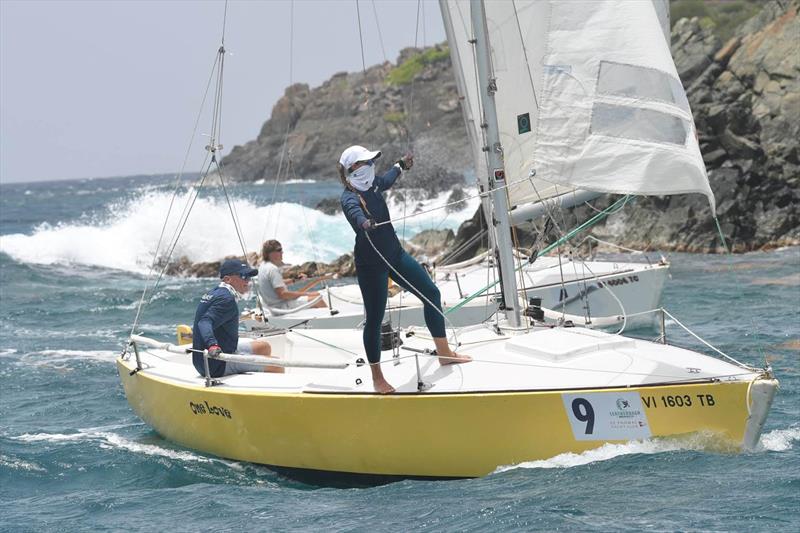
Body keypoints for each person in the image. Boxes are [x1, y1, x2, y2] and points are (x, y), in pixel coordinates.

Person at [338, 145, 471, 394]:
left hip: (395, 255)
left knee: (432, 294)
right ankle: (377, 378)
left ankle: (444, 354)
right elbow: (355, 214)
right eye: (364, 162)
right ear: (352, 169)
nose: (370, 165)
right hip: (371, 265)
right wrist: (365, 223)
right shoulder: (349, 197)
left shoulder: (374, 184)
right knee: (375, 321)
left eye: (371, 161)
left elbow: (387, 180)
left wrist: (400, 165)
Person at [192, 259, 284, 377]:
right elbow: (204, 322)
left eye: (249, 277)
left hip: (205, 359)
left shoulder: (215, 292)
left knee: (264, 346)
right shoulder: (227, 299)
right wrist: (213, 345)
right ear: (227, 279)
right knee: (278, 365)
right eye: (243, 276)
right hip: (216, 363)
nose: (248, 281)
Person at [257, 239, 327, 310]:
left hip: (272, 305)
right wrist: (306, 294)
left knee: (316, 294)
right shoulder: (273, 269)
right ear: (270, 253)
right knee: (318, 300)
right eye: (279, 250)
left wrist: (295, 280)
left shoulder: (263, 266)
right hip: (282, 306)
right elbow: (283, 294)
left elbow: (275, 284)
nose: (282, 252)